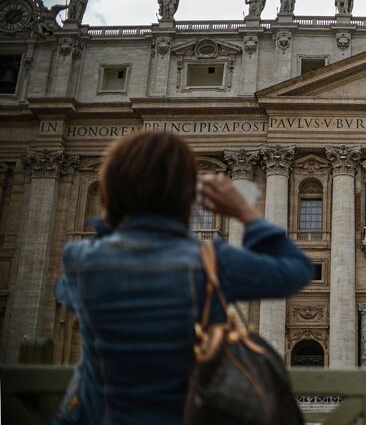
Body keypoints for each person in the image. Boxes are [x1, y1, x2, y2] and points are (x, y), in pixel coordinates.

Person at [52, 132, 313, 424]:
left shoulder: (80, 262)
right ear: (187, 195)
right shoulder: (210, 261)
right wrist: (245, 213)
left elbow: (62, 292)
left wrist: (115, 222)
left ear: (110, 191)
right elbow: (296, 270)